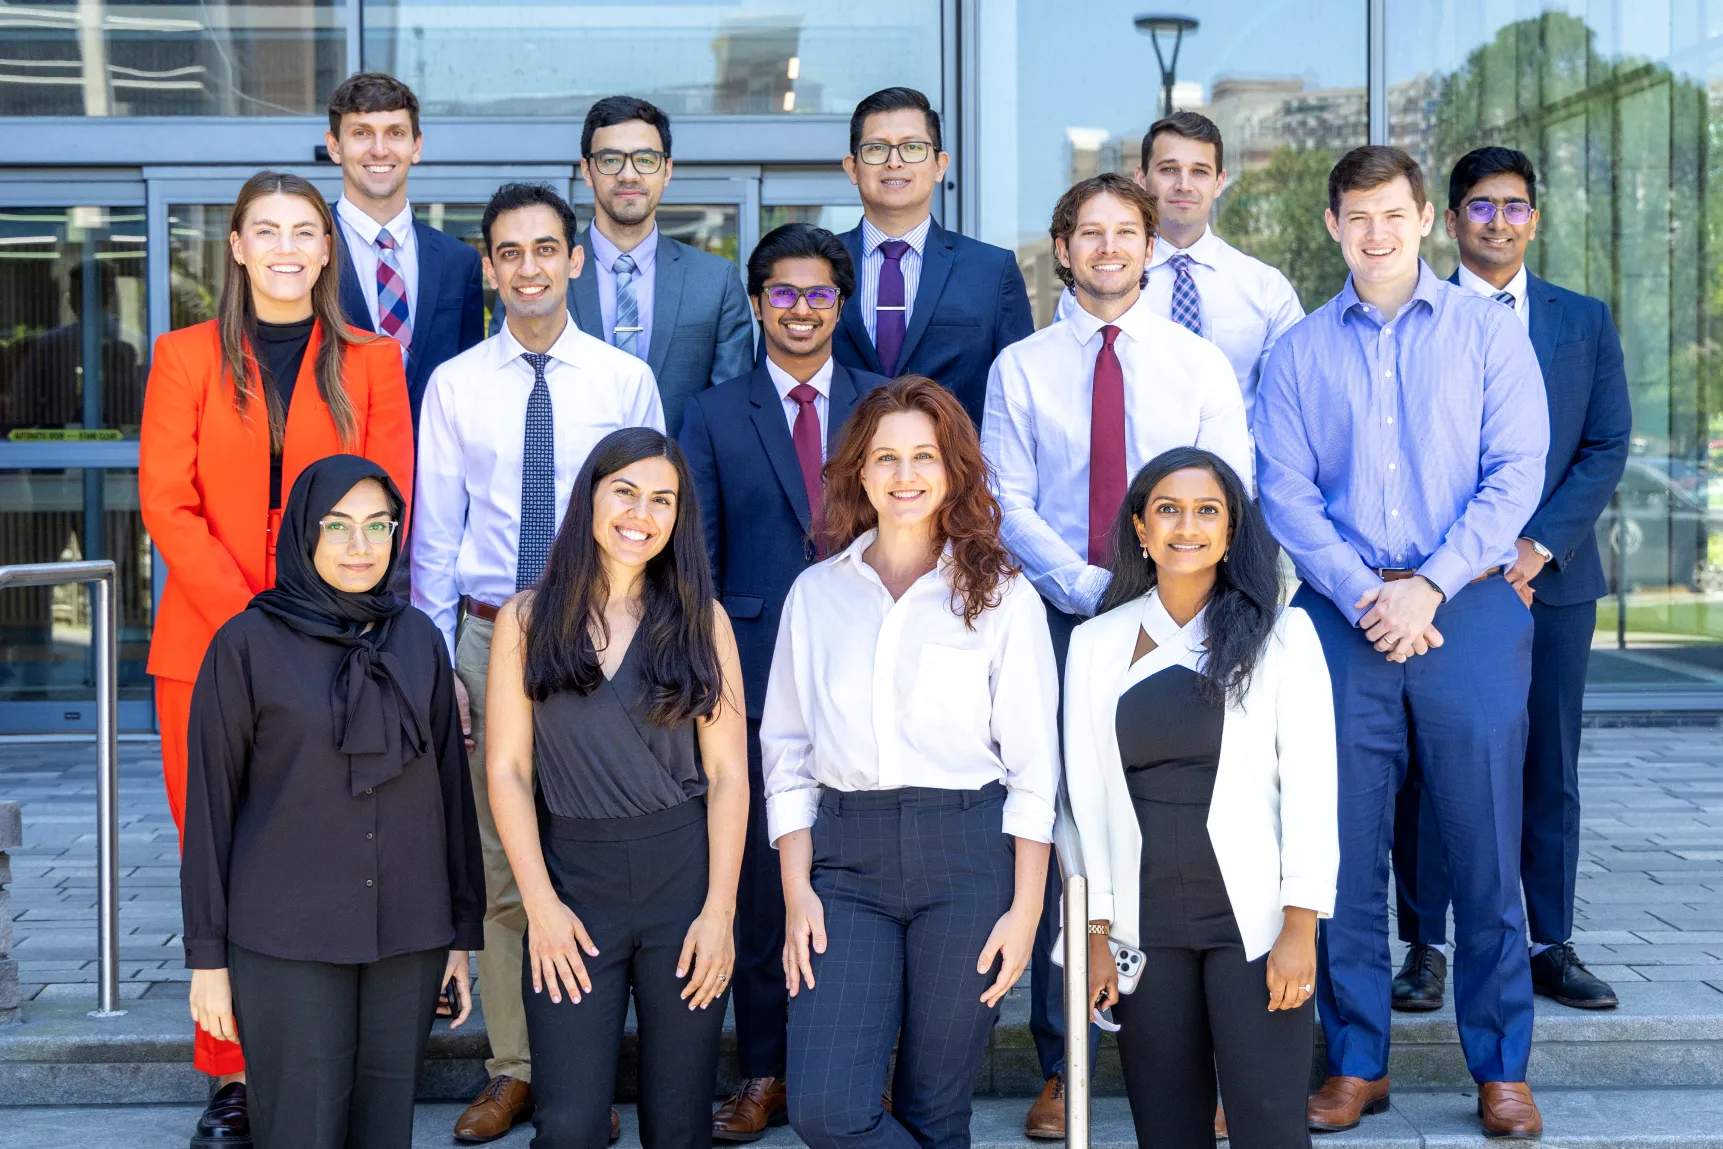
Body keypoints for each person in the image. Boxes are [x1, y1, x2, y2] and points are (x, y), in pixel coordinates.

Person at [1254, 146, 1550, 1138]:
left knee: (1482, 850)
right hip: (1340, 623)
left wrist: (1425, 586)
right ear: (1333, 226)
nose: (1375, 233)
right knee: (1337, 856)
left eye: (1392, 214)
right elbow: (1284, 493)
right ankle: (1356, 1063)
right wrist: (1362, 592)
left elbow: (1515, 474)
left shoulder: (1485, 335)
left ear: (1424, 219)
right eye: (1356, 217)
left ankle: (1500, 1067)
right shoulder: (1297, 352)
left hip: (1464, 607)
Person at [139, 169, 414, 1149]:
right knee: (217, 852)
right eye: (269, 230)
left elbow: (387, 497)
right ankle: (234, 1078)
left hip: (342, 646)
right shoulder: (181, 357)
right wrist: (259, 616)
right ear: (238, 246)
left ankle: (313, 1062)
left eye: (307, 229)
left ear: (328, 247)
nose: (289, 246)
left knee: (313, 852)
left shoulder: (371, 360)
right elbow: (167, 503)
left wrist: (313, 613)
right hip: (209, 643)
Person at [982, 171, 1252, 1135]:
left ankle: (1211, 1063)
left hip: (1188, 622)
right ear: (1061, 248)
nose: (1106, 248)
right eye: (1087, 233)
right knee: (1069, 828)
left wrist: (1158, 595)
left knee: (1184, 819)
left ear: (1149, 246)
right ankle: (1067, 1061)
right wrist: (1096, 595)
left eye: (1124, 232)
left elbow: (1229, 489)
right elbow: (1006, 501)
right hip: (1061, 619)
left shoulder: (1198, 365)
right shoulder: (1019, 367)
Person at [412, 181, 664, 1144]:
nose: (527, 266)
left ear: (573, 259)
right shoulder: (455, 384)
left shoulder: (622, 379)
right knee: (504, 860)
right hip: (487, 635)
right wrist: (442, 668)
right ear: (488, 267)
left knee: (594, 849)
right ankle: (518, 1067)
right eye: (508, 251)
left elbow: (651, 511)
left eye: (545, 248)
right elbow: (434, 540)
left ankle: (587, 1069)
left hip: (600, 632)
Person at [763, 376, 1058, 1149]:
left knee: (935, 1111)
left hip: (966, 856)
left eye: (923, 455)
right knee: (826, 1106)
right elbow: (787, 755)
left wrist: (1027, 910)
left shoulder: (1001, 595)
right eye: (885, 456)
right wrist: (796, 889)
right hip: (845, 863)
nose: (904, 474)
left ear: (953, 468)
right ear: (857, 470)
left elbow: (1033, 768)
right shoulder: (815, 594)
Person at [179, 456, 484, 1149]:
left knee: (385, 1132)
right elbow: (210, 814)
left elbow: (449, 792)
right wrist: (207, 960)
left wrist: (460, 937)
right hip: (287, 939)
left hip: (407, 935)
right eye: (339, 526)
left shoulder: (418, 640)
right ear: (303, 535)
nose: (361, 546)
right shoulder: (245, 645)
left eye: (379, 526)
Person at [1390, 146, 1630, 1015]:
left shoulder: (1581, 320)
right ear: (1450, 221)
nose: (1498, 220)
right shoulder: (1414, 314)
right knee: (1425, 765)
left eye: (1514, 206)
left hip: (1552, 581)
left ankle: (1547, 940)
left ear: (1534, 218)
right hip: (1444, 582)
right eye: (1480, 206)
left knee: (1545, 762)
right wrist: (1471, 558)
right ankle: (1426, 946)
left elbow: (1604, 446)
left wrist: (1529, 551)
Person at [1064, 447, 1337, 1149]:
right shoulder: (1093, 644)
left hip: (1253, 924)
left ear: (1231, 529)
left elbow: (1311, 788)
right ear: (1140, 527)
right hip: (1142, 924)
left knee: (1270, 1127)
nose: (1187, 526)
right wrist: (1093, 936)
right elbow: (1081, 806)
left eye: (1206, 510)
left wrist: (1300, 926)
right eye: (1168, 509)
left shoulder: (1282, 635)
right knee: (1166, 1131)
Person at [483, 426, 749, 1148]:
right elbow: (507, 771)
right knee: (567, 1124)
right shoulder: (526, 619)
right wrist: (539, 904)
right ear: (590, 497)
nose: (642, 513)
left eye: (662, 499)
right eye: (625, 491)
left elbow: (727, 776)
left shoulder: (704, 621)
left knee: (678, 1122)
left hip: (682, 885)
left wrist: (719, 911)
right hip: (573, 883)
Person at [679, 222, 886, 1141]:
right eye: (783, 294)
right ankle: (765, 1068)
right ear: (758, 303)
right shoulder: (714, 412)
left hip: (879, 672)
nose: (801, 310)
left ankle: (862, 1066)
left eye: (818, 295)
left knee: (865, 883)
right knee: (767, 888)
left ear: (840, 304)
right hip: (758, 681)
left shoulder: (890, 406)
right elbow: (701, 567)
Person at [491, 95, 753, 434]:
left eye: (645, 159)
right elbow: (502, 392)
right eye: (610, 159)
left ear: (667, 170)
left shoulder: (715, 282)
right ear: (587, 170)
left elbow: (728, 417)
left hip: (680, 483)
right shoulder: (534, 278)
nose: (628, 174)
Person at [1052, 112, 1305, 424]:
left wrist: (1233, 469)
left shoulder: (1266, 288)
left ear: (1220, 182)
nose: (1183, 185)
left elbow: (1287, 412)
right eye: (1169, 169)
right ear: (1141, 178)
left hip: (1238, 469)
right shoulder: (1092, 284)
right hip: (1127, 470)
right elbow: (1065, 397)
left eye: (1199, 171)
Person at [831, 87, 1033, 427]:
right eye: (877, 148)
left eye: (912, 147)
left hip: (954, 474)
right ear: (853, 168)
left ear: (940, 165)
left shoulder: (992, 271)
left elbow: (1022, 394)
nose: (894, 162)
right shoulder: (819, 266)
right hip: (834, 473)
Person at [326, 72, 485, 425]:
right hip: (334, 470)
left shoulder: (460, 263)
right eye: (361, 133)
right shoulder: (307, 252)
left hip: (434, 470)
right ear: (334, 146)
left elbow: (472, 381)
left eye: (395, 133)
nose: (379, 149)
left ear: (416, 146)